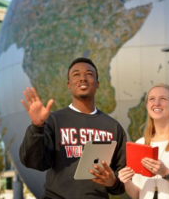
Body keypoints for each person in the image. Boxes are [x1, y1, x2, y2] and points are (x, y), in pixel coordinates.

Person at [19, 57, 127, 199]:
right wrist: (37, 127)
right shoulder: (53, 120)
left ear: (97, 84)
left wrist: (113, 182)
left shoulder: (113, 127)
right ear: (69, 84)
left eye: (89, 74)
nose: (83, 78)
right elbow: (33, 162)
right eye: (76, 74)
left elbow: (122, 180)